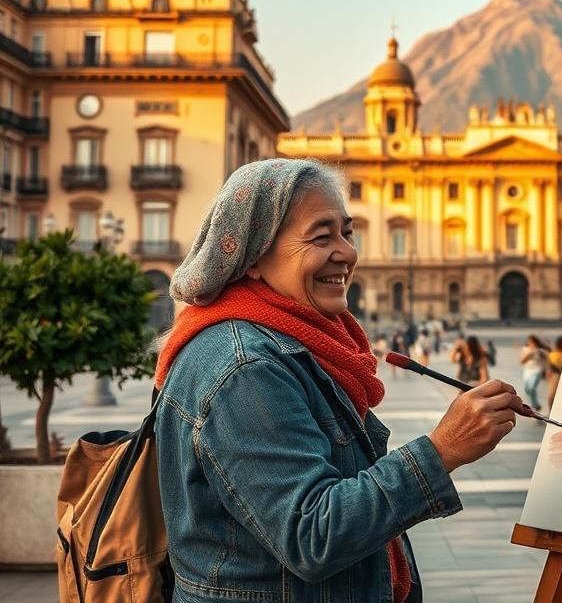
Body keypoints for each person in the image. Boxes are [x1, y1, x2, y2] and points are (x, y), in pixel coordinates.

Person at [154, 159, 527, 602]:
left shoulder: (287, 343)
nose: (347, 253)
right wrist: (442, 450)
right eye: (321, 236)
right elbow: (312, 534)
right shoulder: (245, 369)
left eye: (347, 233)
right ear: (253, 257)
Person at [520, 334, 549, 411]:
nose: (531, 344)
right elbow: (521, 361)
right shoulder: (525, 349)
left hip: (537, 371)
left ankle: (535, 404)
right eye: (529, 342)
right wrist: (528, 356)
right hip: (527, 371)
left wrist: (547, 371)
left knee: (532, 388)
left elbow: (547, 360)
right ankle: (535, 403)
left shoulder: (540, 350)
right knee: (527, 389)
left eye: (532, 342)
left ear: (536, 342)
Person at [547, 335, 562, 412]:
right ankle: (551, 412)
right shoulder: (554, 354)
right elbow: (550, 367)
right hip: (556, 375)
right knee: (551, 396)